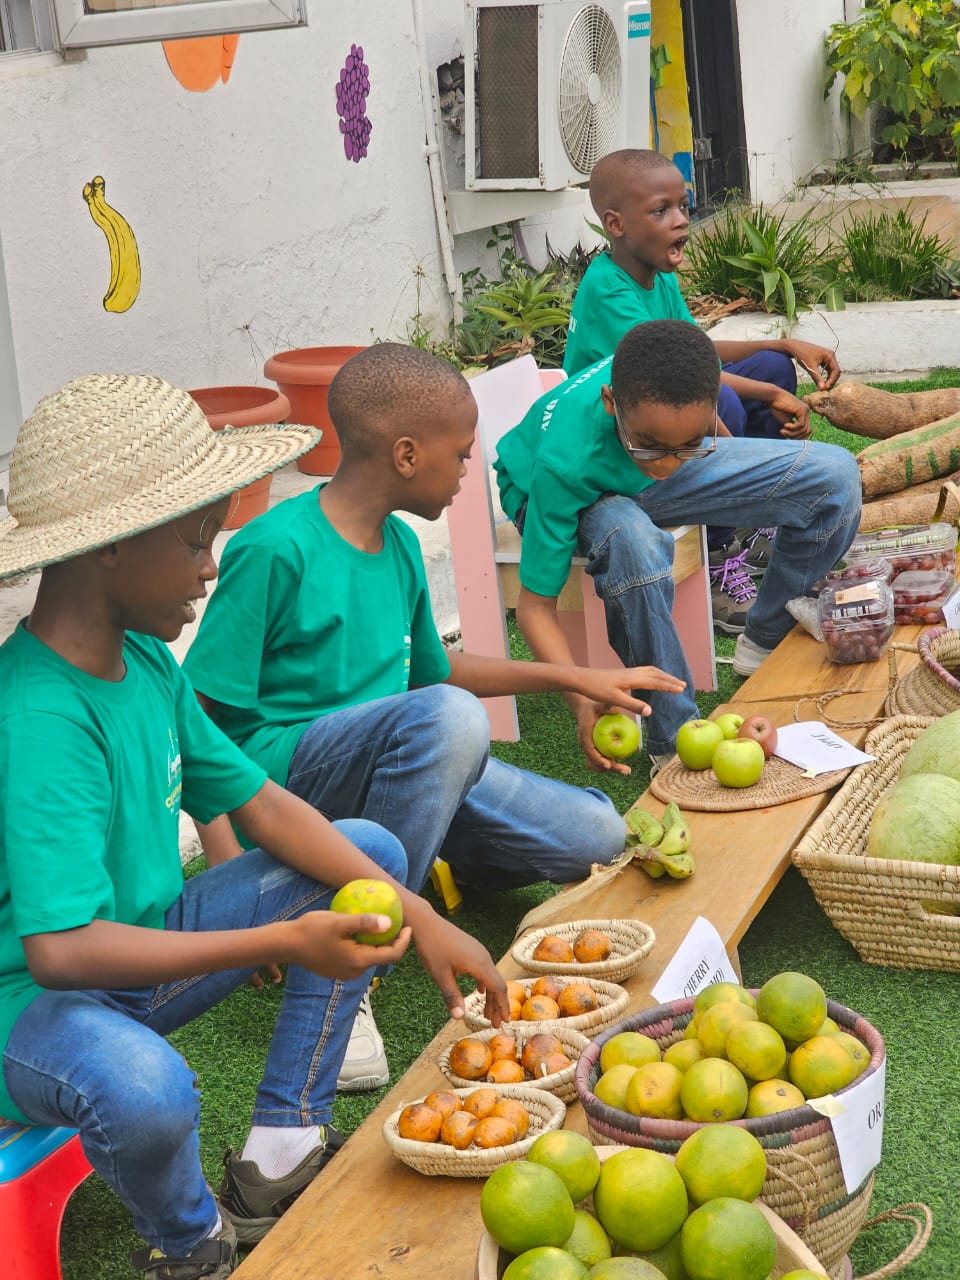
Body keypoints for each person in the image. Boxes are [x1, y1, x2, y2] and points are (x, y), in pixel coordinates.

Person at [0, 374, 511, 1280]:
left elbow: (265, 805)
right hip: (29, 1010)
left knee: (371, 860)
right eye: (196, 539)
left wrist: (420, 915)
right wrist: (284, 938)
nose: (211, 563)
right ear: (110, 549)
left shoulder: (148, 660)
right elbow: (63, 953)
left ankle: (278, 1152)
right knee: (149, 1090)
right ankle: (191, 1239)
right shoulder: (40, 715)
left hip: (140, 949)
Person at [183, 342, 685, 1088]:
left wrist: (575, 678)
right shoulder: (273, 549)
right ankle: (351, 977)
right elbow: (203, 730)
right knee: (448, 723)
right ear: (408, 454)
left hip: (411, 765)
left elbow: (436, 674)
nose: (468, 472)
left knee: (600, 833)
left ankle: (458, 853)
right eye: (461, 454)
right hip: (293, 791)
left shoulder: (400, 547)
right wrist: (238, 881)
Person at [494, 319, 862, 772]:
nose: (668, 466)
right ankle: (674, 737)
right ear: (612, 403)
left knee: (835, 476)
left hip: (629, 463)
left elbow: (678, 433)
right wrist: (580, 696)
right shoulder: (563, 465)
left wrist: (733, 463)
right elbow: (534, 609)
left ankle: (763, 641)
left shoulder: (661, 413)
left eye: (689, 445)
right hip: (568, 491)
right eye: (654, 446)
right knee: (632, 541)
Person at [563, 148, 844, 634]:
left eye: (683, 207)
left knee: (772, 366)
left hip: (669, 405)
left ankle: (761, 531)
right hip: (628, 446)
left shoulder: (654, 273)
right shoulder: (609, 289)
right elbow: (684, 381)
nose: (680, 222)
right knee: (727, 399)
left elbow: (698, 351)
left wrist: (783, 343)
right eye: (660, 211)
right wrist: (768, 401)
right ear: (615, 224)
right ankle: (720, 554)